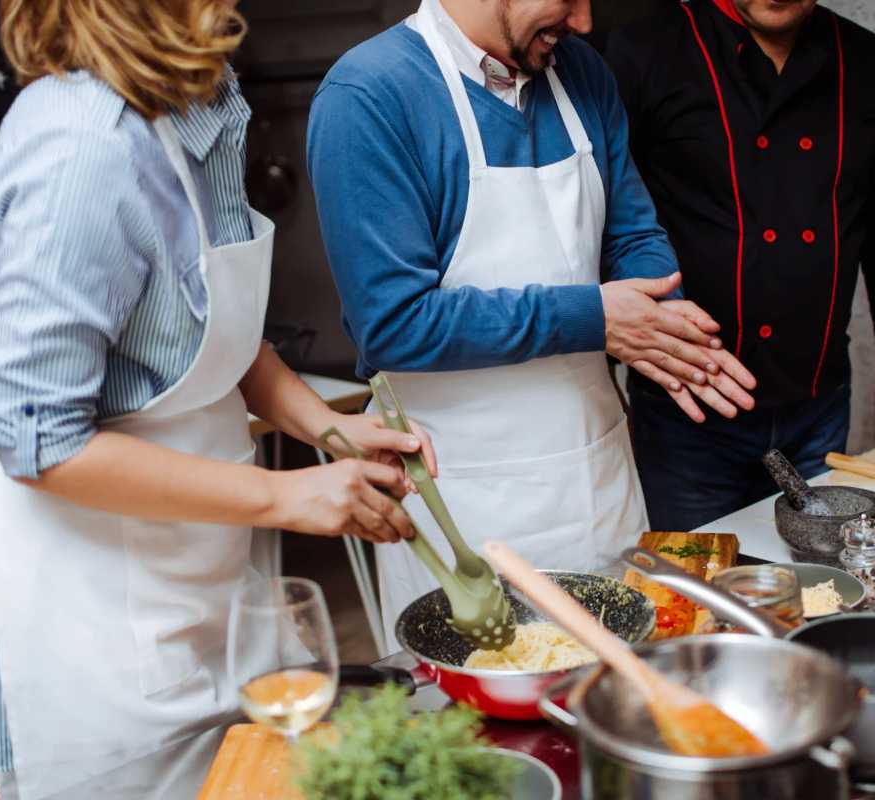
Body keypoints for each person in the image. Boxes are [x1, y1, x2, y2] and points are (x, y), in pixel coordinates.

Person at [0, 1, 436, 797]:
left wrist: (328, 432)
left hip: (190, 577)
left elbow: (217, 338)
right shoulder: (78, 147)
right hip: (84, 610)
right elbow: (39, 441)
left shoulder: (193, 103)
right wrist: (285, 495)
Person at [306, 0, 758, 650]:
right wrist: (596, 317)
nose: (582, 20)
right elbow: (394, 323)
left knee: (622, 702)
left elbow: (634, 233)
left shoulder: (583, 74)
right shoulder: (370, 97)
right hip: (465, 508)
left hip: (598, 487)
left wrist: (662, 318)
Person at [605, 0, 875, 530]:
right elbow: (605, 219)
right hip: (689, 412)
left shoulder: (863, 58)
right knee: (696, 595)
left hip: (818, 405)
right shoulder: (646, 50)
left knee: (819, 587)